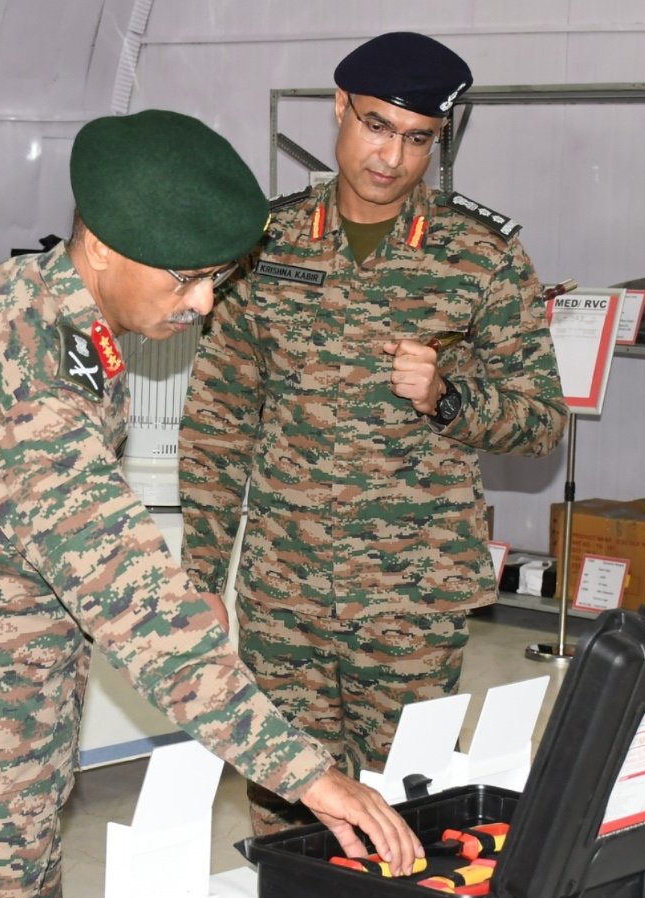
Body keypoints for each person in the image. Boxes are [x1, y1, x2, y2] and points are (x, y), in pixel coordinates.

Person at [0, 109, 421, 898]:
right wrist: (307, 773)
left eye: (217, 279)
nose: (202, 303)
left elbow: (74, 528)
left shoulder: (50, 300)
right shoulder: (35, 374)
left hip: (2, 724)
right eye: (186, 277)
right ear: (105, 246)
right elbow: (130, 599)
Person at [178, 32, 569, 835]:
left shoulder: (480, 258)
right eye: (376, 125)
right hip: (283, 588)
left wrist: (451, 397)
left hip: (410, 595)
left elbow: (542, 421)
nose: (391, 156)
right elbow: (219, 425)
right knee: (287, 802)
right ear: (339, 110)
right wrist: (202, 577)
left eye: (417, 137)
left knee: (407, 802)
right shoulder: (267, 243)